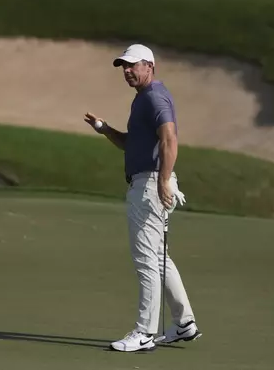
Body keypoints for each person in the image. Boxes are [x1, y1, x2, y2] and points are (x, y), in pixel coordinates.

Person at [84, 44, 201, 352]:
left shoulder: (155, 97)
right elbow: (130, 143)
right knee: (159, 259)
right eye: (123, 66)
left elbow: (170, 137)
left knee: (146, 260)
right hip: (149, 182)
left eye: (132, 65)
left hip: (150, 185)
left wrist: (163, 180)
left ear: (150, 66)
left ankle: (145, 332)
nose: (127, 70)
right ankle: (184, 323)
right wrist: (104, 129)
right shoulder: (142, 101)